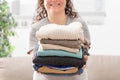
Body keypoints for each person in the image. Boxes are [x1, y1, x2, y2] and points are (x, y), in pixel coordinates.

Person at [27, 0, 91, 80]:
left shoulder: (79, 26)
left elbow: (84, 54)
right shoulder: (36, 29)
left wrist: (82, 58)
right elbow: (35, 58)